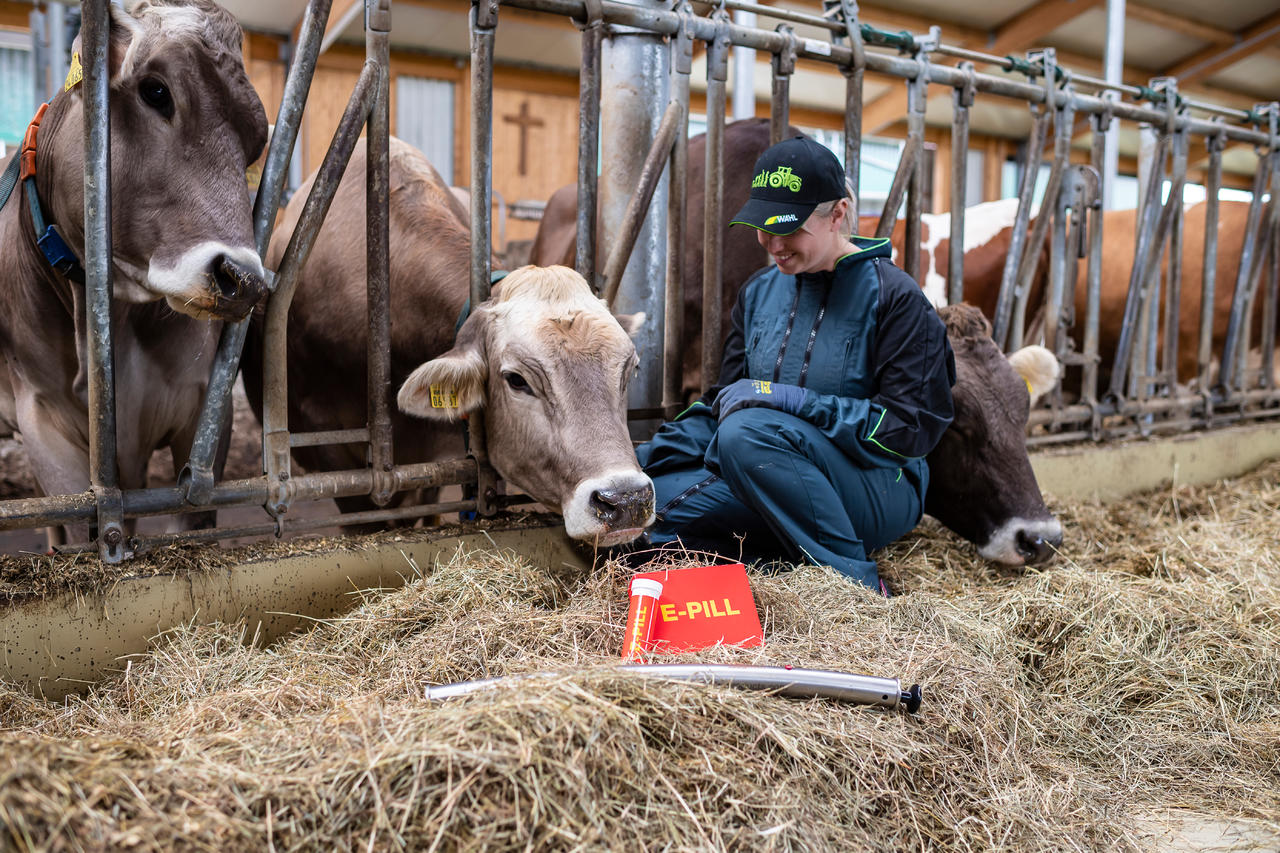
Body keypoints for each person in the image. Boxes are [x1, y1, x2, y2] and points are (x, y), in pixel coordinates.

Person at [634, 135, 955, 593]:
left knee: (746, 435)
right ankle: (783, 558)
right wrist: (638, 461)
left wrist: (789, 400)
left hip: (878, 484)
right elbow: (723, 405)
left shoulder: (895, 298)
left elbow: (907, 431)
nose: (772, 243)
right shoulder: (759, 292)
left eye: (788, 229)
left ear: (838, 214)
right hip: (771, 471)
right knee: (651, 509)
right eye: (762, 226)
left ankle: (855, 586)